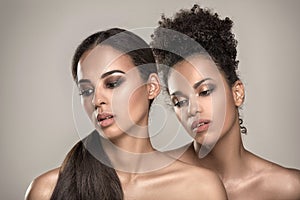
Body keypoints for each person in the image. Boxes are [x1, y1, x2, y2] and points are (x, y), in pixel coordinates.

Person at [25, 28, 227, 200]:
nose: (97, 100)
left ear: (152, 86)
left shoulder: (201, 189)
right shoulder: (46, 190)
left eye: (112, 84)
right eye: (87, 91)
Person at [151, 4, 300, 200]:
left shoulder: (288, 188)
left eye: (205, 91)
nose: (193, 109)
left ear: (237, 93)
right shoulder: (158, 176)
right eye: (179, 101)